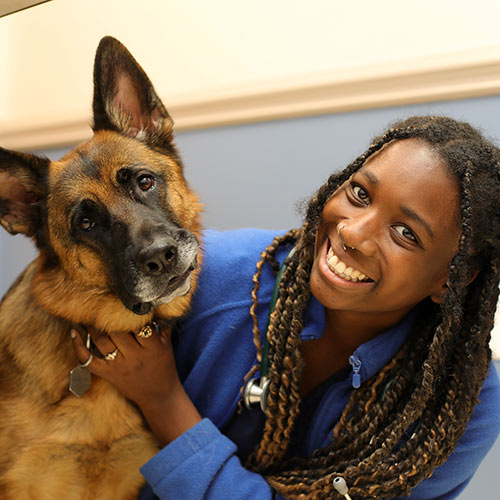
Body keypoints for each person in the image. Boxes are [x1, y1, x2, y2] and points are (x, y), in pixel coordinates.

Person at [72, 115, 500, 499]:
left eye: (405, 232)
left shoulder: (460, 406)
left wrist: (163, 400)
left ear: (453, 278)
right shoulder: (204, 278)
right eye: (359, 192)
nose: (353, 233)